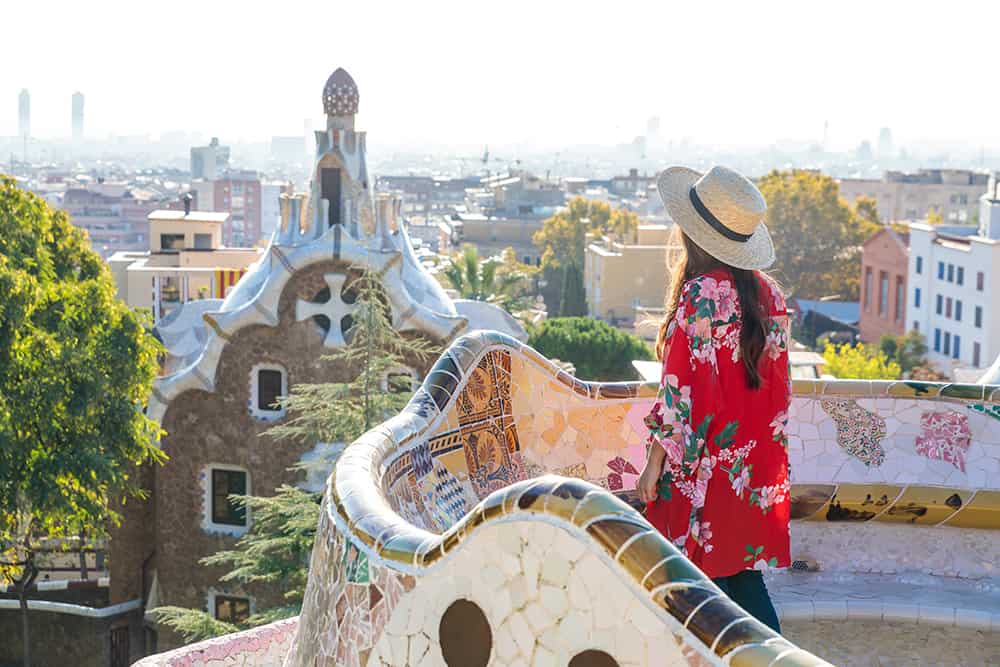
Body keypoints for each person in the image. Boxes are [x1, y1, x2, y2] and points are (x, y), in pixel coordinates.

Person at [637, 165, 790, 633]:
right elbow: (779, 392)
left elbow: (679, 394)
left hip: (708, 464)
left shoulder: (700, 295)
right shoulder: (770, 295)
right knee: (741, 578)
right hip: (758, 464)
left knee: (688, 586)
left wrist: (653, 463)